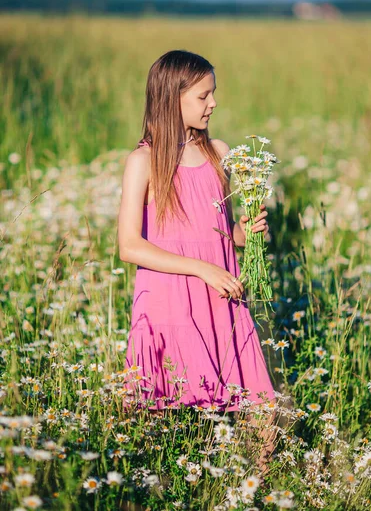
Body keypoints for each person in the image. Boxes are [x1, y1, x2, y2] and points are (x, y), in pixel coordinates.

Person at [118, 50, 277, 469]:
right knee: (160, 418)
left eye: (214, 94)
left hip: (221, 301)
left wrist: (249, 233)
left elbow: (224, 234)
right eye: (203, 96)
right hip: (170, 303)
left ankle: (253, 489)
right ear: (173, 98)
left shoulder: (218, 153)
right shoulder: (144, 161)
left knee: (262, 409)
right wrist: (201, 268)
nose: (214, 104)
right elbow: (129, 245)